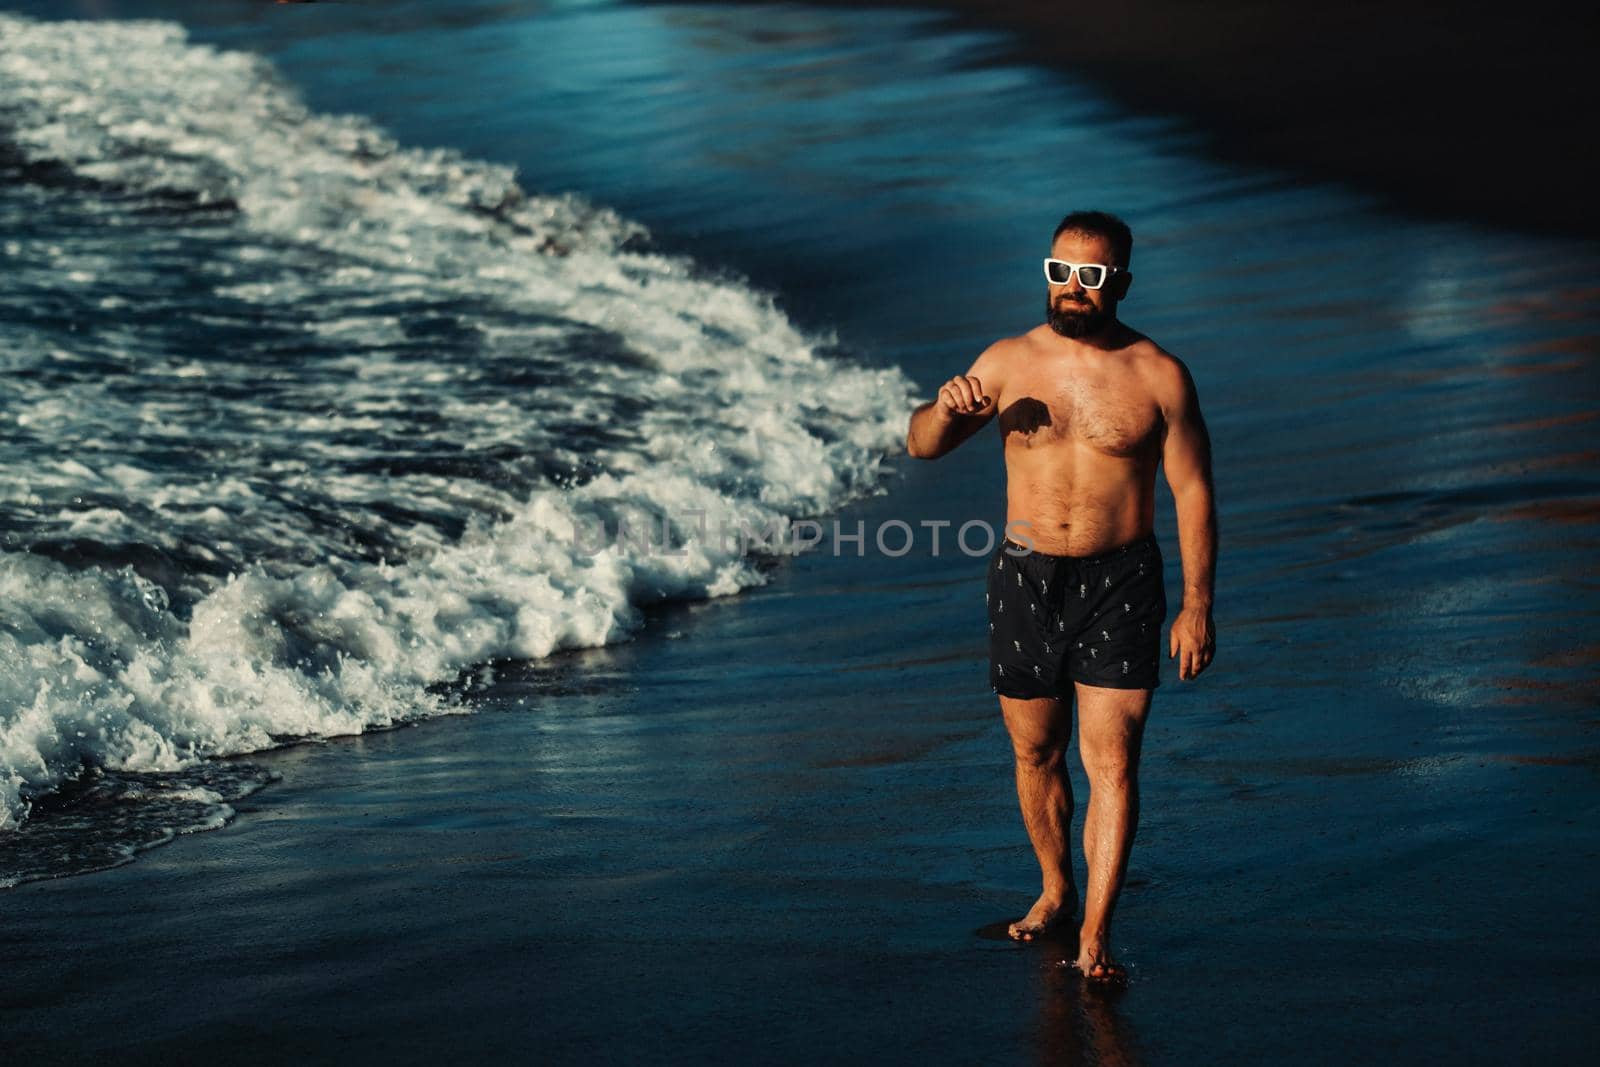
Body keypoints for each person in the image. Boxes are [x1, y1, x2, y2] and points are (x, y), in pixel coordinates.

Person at [905, 211, 1217, 984]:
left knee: (1111, 760)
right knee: (1035, 750)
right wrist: (946, 408)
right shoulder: (1008, 362)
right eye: (1060, 271)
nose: (1072, 288)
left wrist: (1198, 602)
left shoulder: (1159, 376)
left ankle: (1097, 933)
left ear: (1121, 284)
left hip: (1122, 581)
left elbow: (1193, 490)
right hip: (1024, 577)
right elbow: (921, 443)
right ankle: (1054, 888)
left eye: (1092, 276)